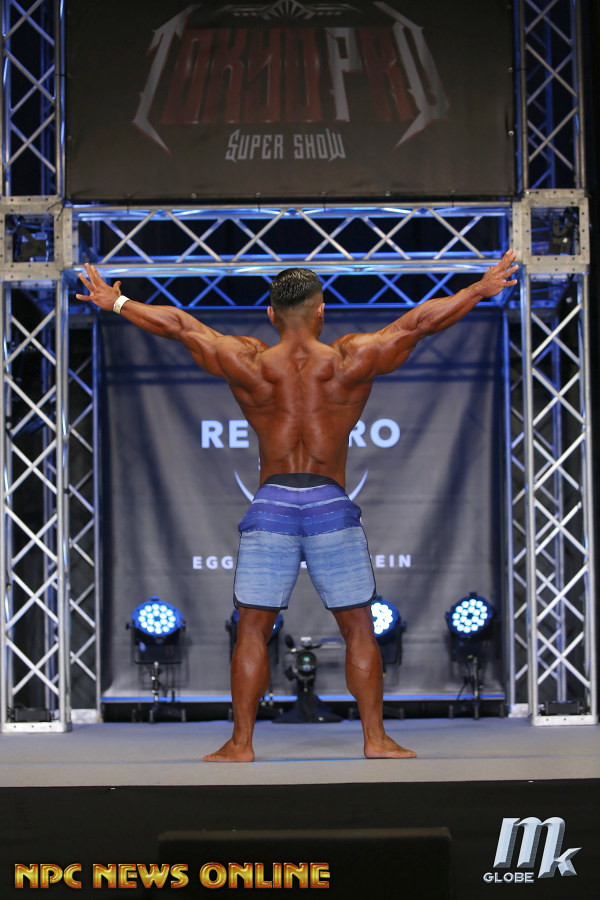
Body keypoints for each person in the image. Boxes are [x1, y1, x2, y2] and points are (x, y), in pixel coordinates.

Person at [77, 250, 518, 762]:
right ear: (321, 310)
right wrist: (478, 290)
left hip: (273, 504)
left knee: (252, 629)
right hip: (330, 502)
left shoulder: (248, 361)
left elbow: (180, 327)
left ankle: (241, 744)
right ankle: (375, 739)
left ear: (270, 314)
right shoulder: (352, 358)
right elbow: (419, 323)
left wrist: (118, 302)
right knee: (359, 627)